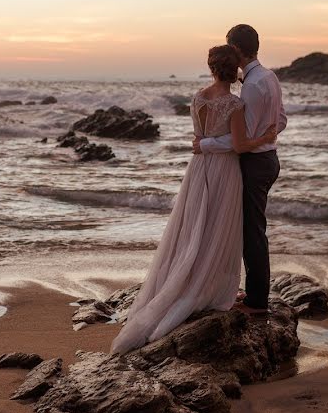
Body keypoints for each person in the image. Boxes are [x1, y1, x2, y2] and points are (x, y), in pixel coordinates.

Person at [110, 43, 277, 354]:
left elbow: (200, 138)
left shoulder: (197, 98)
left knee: (193, 226)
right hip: (225, 171)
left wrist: (204, 143)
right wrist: (265, 138)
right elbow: (240, 146)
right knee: (216, 228)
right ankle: (209, 286)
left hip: (198, 170)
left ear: (212, 67)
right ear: (234, 69)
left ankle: (183, 278)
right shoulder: (234, 105)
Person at [196, 24, 287, 314]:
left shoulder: (251, 85)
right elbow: (281, 121)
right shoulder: (270, 77)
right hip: (269, 159)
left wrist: (205, 144)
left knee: (252, 232)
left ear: (235, 49)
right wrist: (267, 136)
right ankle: (251, 292)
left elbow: (240, 141)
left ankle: (257, 300)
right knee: (254, 227)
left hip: (255, 162)